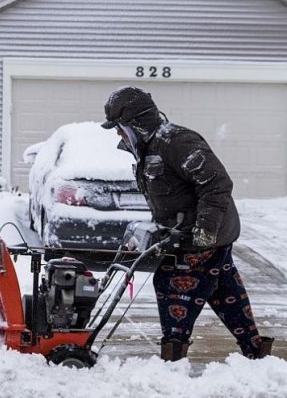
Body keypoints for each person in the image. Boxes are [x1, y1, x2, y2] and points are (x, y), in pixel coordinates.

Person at [101, 86, 273, 361]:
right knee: (224, 292)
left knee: (171, 285)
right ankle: (256, 353)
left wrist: (204, 232)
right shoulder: (148, 148)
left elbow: (217, 185)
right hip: (189, 236)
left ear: (136, 124)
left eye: (119, 127)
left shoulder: (177, 143)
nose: (118, 134)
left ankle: (173, 361)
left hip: (205, 237)